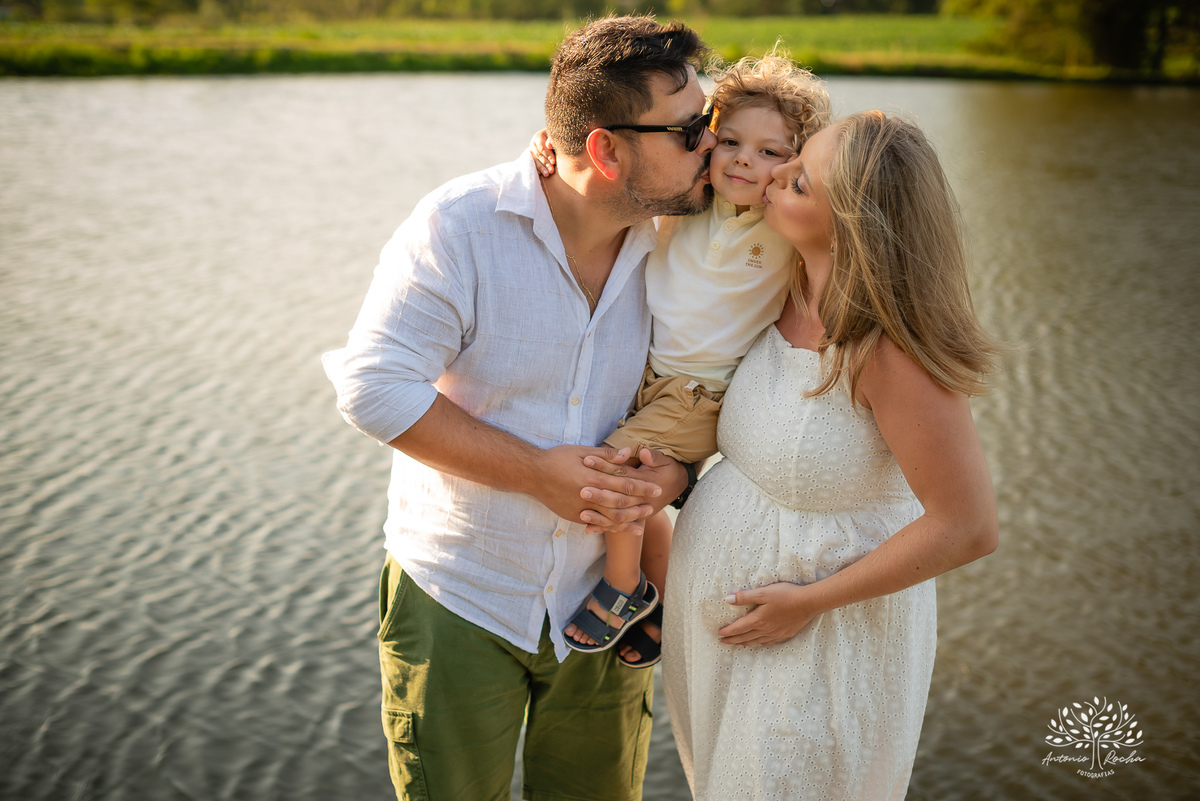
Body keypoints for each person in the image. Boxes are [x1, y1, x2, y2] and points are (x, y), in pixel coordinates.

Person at [321, 16, 714, 801]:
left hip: (611, 604)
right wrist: (536, 473)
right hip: (460, 597)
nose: (713, 143)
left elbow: (726, 380)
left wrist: (672, 467)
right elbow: (372, 386)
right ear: (605, 150)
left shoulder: (691, 241)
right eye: (691, 129)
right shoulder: (459, 226)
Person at [661, 110, 1002, 800]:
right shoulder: (779, 287)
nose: (774, 175)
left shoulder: (889, 349)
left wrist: (809, 602)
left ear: (850, 220)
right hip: (729, 645)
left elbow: (967, 525)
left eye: (799, 180)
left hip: (823, 649)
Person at [533, 53, 833, 669]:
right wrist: (551, 152)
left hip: (701, 390)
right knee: (637, 480)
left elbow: (838, 205)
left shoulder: (781, 226)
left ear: (796, 165)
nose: (746, 161)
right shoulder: (685, 199)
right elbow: (623, 170)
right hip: (645, 372)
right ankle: (667, 600)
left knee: (618, 474)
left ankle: (625, 587)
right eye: (730, 142)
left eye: (772, 153)